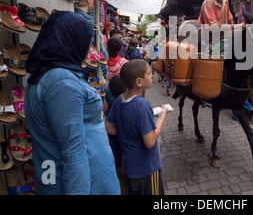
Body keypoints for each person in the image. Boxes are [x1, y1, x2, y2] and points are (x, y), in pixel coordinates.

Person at [24, 11, 120, 195]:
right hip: (89, 184)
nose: (88, 47)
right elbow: (74, 154)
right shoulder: (62, 82)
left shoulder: (45, 75)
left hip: (66, 178)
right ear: (71, 39)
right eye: (86, 40)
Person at [105, 60, 167, 195]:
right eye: (149, 73)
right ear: (139, 82)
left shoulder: (120, 99)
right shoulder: (142, 106)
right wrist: (162, 117)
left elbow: (108, 127)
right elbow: (150, 142)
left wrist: (127, 132)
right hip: (147, 169)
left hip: (129, 168)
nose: (152, 76)